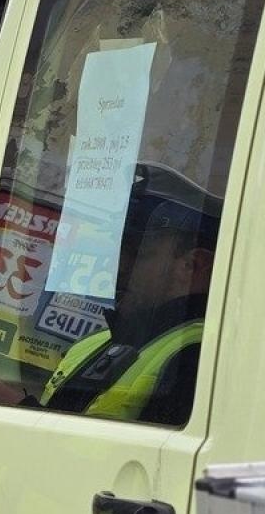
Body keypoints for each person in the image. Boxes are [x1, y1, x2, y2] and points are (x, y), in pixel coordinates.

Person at [36, 165, 221, 426]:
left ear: (193, 266)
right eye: (120, 252)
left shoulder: (198, 359)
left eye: (140, 254)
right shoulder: (98, 341)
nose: (120, 268)